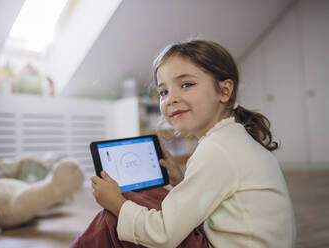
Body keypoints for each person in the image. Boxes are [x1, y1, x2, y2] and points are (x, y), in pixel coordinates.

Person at [71, 40, 296, 248]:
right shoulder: (231, 139)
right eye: (163, 91)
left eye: (186, 84)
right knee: (153, 194)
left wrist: (116, 204)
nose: (171, 99)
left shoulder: (215, 151)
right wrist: (182, 181)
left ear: (224, 91)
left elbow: (164, 234)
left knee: (115, 216)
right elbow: (219, 200)